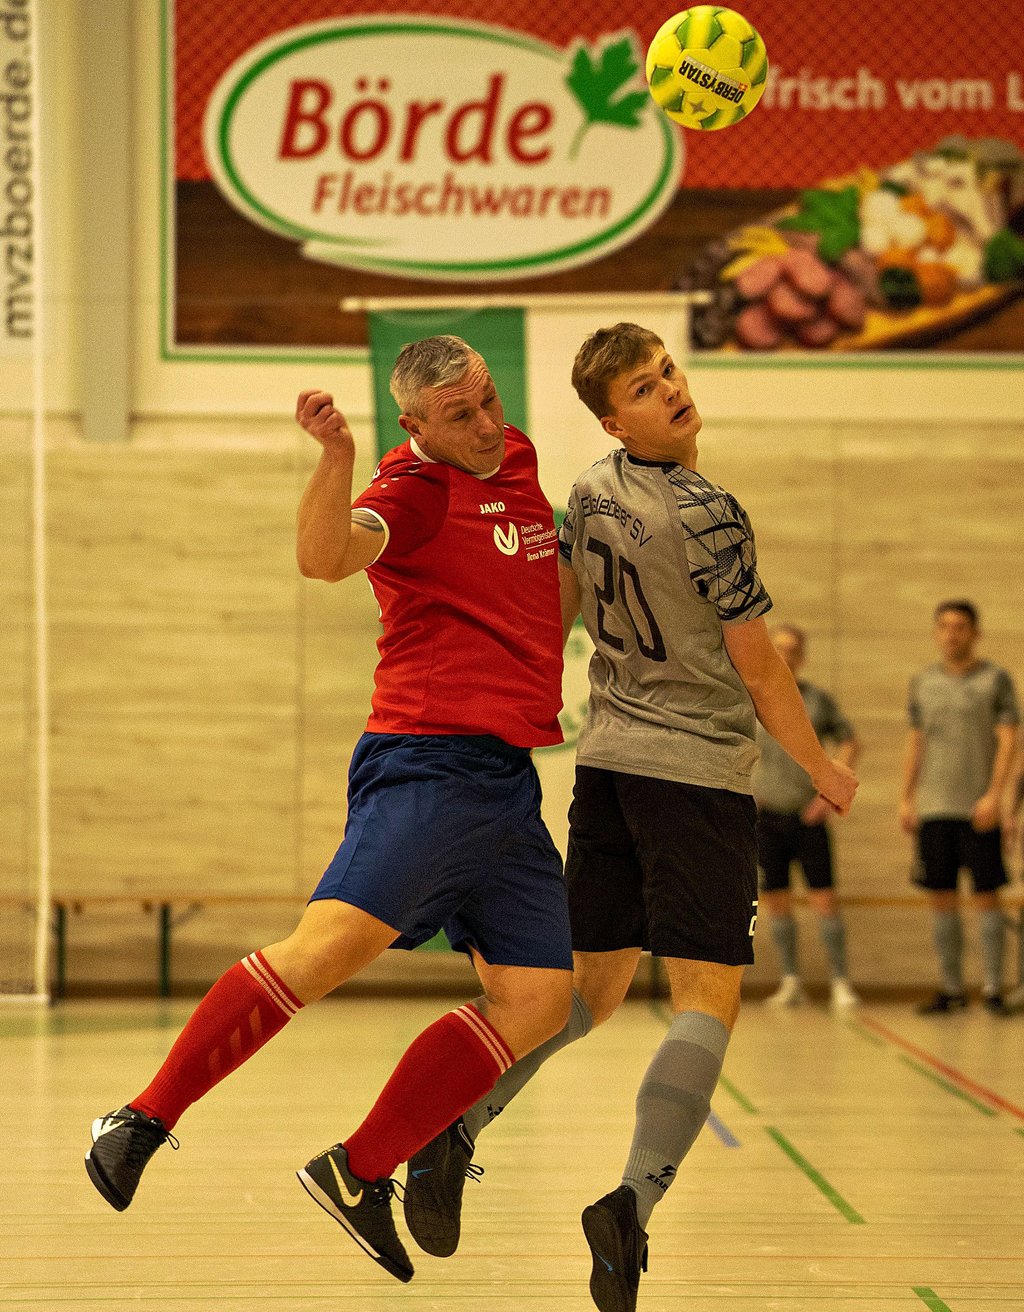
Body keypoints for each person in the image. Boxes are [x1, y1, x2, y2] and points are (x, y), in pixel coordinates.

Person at [83, 335, 575, 1284]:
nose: (484, 425)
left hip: (508, 783)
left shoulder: (513, 459)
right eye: (459, 415)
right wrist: (337, 458)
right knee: (320, 954)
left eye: (487, 401)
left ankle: (359, 1172)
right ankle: (142, 1116)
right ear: (414, 425)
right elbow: (324, 558)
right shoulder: (412, 490)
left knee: (539, 1000)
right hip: (430, 763)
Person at [401, 323, 858, 1312]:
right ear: (614, 418)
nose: (671, 392)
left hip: (606, 768)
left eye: (669, 373)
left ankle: (457, 1130)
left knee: (589, 995)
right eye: (645, 391)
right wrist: (818, 764)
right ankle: (631, 1205)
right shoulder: (712, 512)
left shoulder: (590, 493)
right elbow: (758, 664)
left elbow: (553, 607)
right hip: (693, 778)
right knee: (707, 996)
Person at [900, 599, 1019, 1015]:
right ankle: (951, 989)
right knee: (941, 898)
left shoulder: (995, 680)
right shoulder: (923, 682)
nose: (952, 634)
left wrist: (994, 795)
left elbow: (1008, 739)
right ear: (937, 632)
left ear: (975, 632)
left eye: (961, 627)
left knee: (987, 897)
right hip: (934, 808)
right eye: (945, 626)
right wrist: (907, 797)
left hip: (978, 808)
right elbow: (917, 743)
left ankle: (991, 989)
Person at [752, 623, 862, 1009]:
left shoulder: (817, 701)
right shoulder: (753, 698)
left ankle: (840, 981)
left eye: (792, 649)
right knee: (777, 900)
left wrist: (828, 793)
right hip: (767, 816)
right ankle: (791, 979)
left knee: (824, 899)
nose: (785, 655)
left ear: (802, 656)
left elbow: (849, 739)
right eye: (777, 647)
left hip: (808, 817)